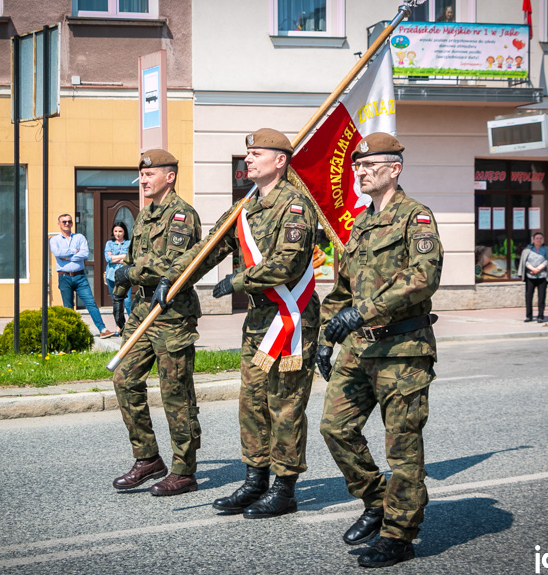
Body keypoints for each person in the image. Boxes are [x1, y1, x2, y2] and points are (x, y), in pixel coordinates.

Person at [160, 128, 320, 519]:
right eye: (247, 154)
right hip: (259, 320)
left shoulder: (296, 206)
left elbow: (289, 264)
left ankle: (284, 488)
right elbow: (209, 247)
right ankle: (255, 480)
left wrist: (239, 281)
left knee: (284, 405)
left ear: (280, 161)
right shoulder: (245, 208)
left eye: (256, 154)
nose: (247, 159)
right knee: (252, 404)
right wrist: (172, 276)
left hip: (291, 316)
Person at [316, 133, 443, 568]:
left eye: (370, 165)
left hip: (402, 351)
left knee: (402, 448)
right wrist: (325, 337)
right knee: (335, 428)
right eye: (357, 166)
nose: (361, 171)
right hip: (358, 350)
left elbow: (423, 277)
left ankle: (398, 534)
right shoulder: (361, 224)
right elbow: (341, 289)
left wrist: (364, 312)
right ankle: (376, 500)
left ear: (395, 169)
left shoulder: (416, 218)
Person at [110, 149, 203, 497]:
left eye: (150, 175)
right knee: (124, 377)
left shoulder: (182, 216)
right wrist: (120, 291)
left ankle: (184, 469)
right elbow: (136, 259)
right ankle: (147, 457)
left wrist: (126, 272)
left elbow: (169, 263)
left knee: (175, 393)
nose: (143, 180)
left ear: (170, 176)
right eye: (142, 176)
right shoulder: (145, 215)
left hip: (172, 316)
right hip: (140, 312)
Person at [49, 214, 112, 339]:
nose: (67, 223)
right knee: (68, 306)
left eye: (69, 221)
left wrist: (67, 257)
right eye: (64, 222)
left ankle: (103, 329)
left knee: (91, 303)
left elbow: (84, 254)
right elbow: (57, 253)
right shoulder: (54, 240)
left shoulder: (79, 237)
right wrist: (74, 251)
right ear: (59, 224)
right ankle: (71, 334)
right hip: (64, 277)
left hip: (80, 277)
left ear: (72, 223)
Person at [104, 221, 132, 336]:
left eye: (120, 231)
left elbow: (130, 258)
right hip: (111, 276)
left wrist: (115, 257)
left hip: (125, 276)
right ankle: (119, 326)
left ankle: (132, 324)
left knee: (127, 301)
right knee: (116, 303)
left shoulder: (129, 243)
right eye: (115, 231)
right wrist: (122, 257)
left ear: (124, 232)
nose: (118, 234)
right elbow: (108, 258)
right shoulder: (109, 244)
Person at [518, 232, 548, 323]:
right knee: (528, 296)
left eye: (541, 238)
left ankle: (540, 316)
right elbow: (525, 261)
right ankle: (529, 316)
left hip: (542, 276)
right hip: (530, 276)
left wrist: (538, 269)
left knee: (541, 297)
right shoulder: (527, 250)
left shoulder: (547, 249)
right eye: (537, 238)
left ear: (543, 240)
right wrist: (532, 269)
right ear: (533, 240)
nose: (539, 240)